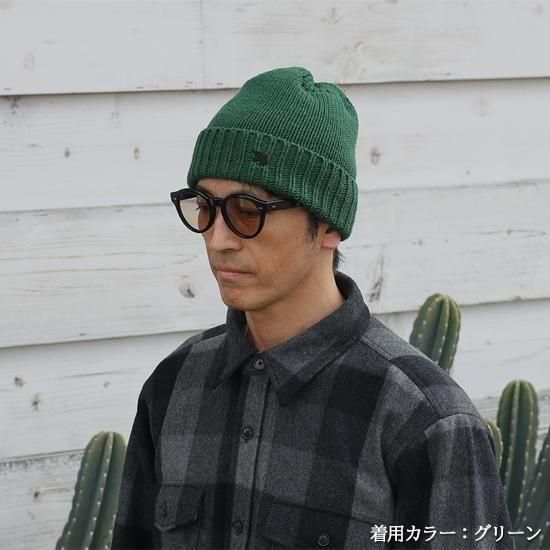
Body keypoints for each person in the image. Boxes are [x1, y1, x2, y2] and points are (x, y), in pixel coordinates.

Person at [112, 66, 514, 550]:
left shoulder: (426, 421)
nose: (217, 241)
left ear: (328, 227)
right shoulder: (173, 385)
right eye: (204, 207)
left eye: (246, 212)